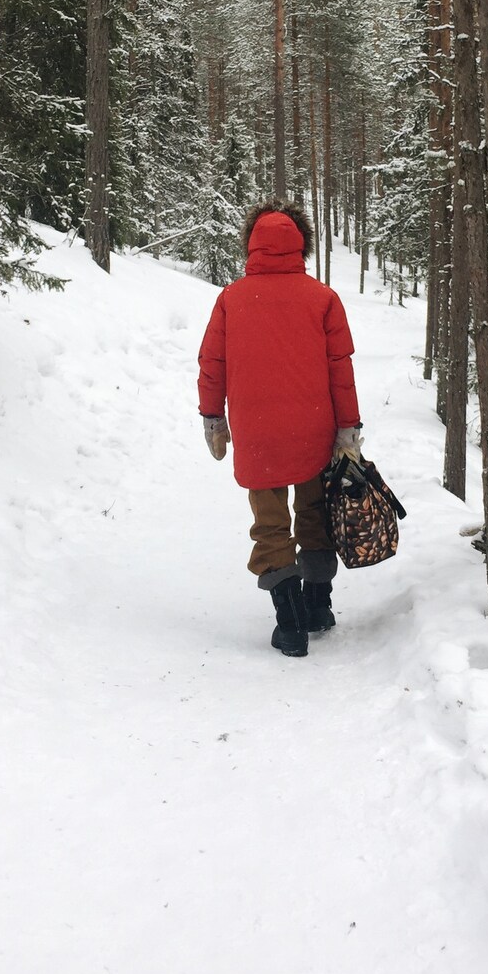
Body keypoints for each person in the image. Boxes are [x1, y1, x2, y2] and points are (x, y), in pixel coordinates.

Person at [197, 202, 362, 658]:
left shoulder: (231, 298)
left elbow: (212, 364)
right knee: (314, 513)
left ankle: (289, 624)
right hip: (315, 428)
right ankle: (318, 607)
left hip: (258, 433)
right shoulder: (323, 298)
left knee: (270, 523)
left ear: (250, 245)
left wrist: (213, 417)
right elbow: (340, 370)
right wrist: (347, 427)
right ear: (301, 245)